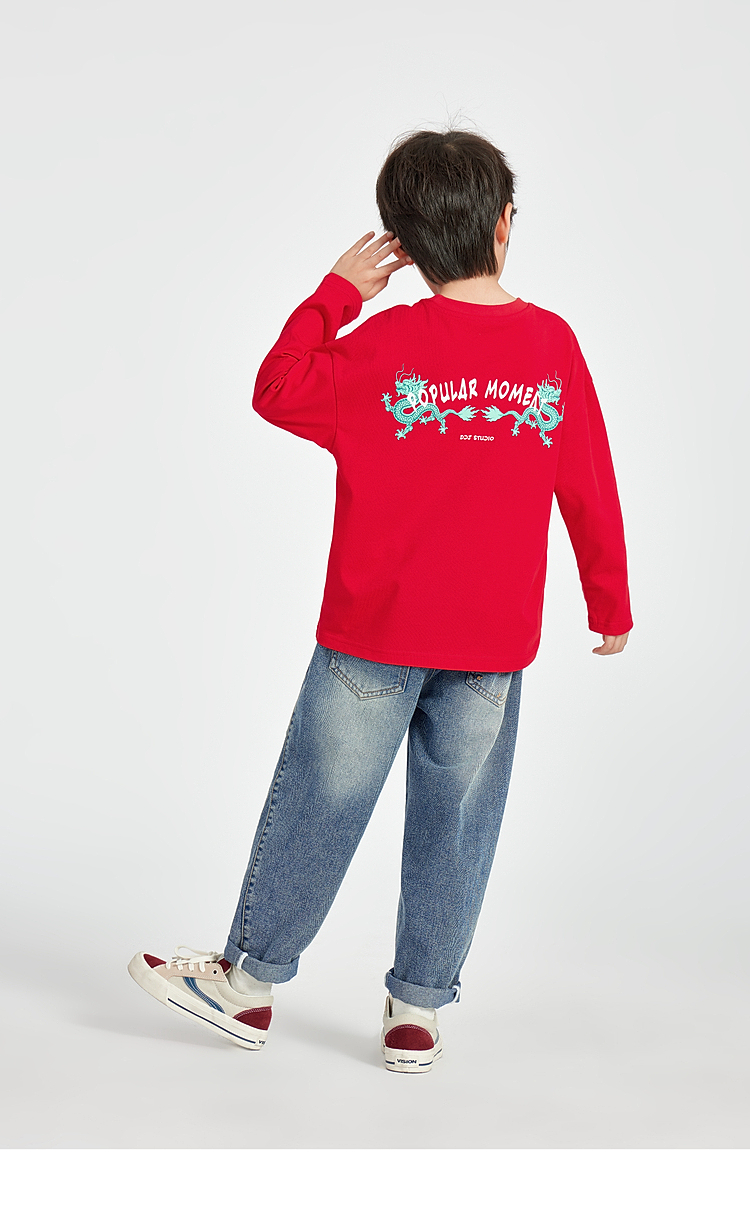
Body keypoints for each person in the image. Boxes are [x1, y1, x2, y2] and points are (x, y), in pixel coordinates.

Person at [129, 129, 632, 1073]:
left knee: (321, 803)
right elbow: (589, 478)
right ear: (504, 225)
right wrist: (610, 599)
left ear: (404, 240)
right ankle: (418, 1010)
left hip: (373, 635)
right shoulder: (552, 345)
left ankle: (249, 984)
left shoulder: (384, 345)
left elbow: (275, 387)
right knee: (457, 824)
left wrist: (339, 294)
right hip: (491, 646)